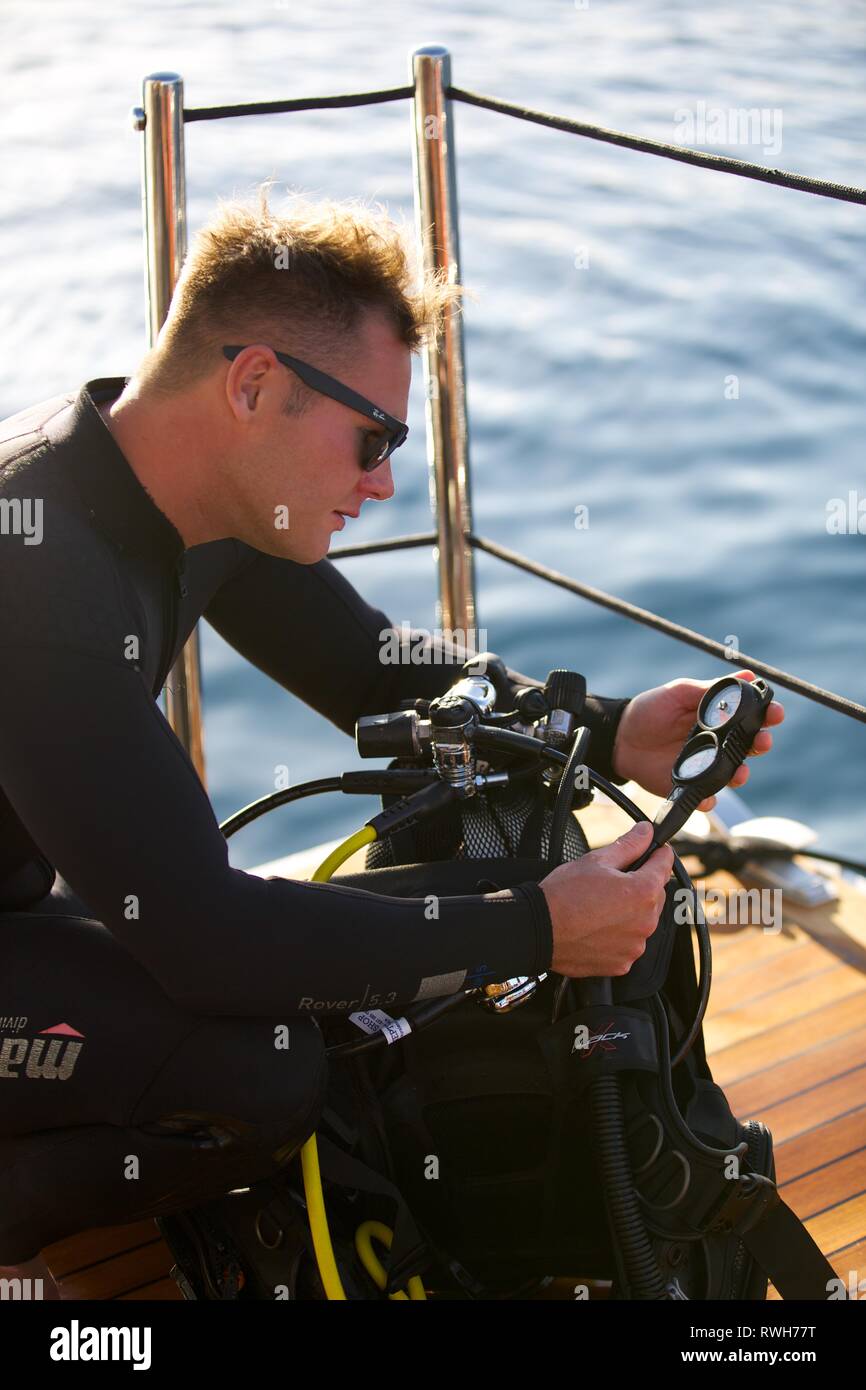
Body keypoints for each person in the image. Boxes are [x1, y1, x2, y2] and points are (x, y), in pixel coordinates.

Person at [0, 187, 783, 1283]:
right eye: (373, 436)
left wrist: (610, 735)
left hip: (34, 903)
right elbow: (207, 940)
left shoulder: (178, 491)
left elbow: (369, 667)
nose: (383, 481)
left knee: (385, 961)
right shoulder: (36, 570)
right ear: (253, 384)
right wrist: (533, 928)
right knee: (262, 1073)